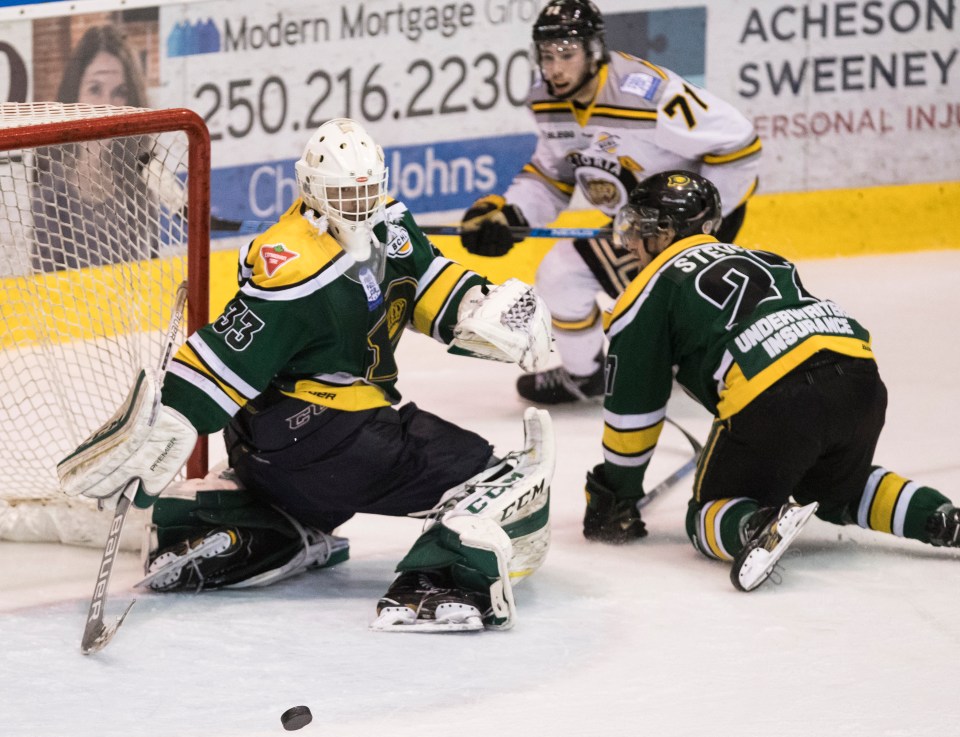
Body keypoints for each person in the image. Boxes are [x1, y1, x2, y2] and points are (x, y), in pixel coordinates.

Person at [57, 118, 556, 632]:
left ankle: (268, 529)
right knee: (501, 477)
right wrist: (171, 415)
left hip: (270, 456)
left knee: (320, 483)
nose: (360, 204)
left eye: (367, 190)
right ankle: (437, 581)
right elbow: (230, 349)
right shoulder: (292, 265)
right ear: (312, 188)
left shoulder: (392, 228)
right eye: (345, 192)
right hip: (344, 446)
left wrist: (487, 306)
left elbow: (430, 284)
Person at [581, 169, 960, 591]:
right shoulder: (764, 258)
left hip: (775, 398)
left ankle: (755, 525)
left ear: (667, 231)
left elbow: (634, 408)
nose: (630, 241)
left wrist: (616, 494)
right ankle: (942, 518)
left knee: (707, 512)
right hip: (859, 379)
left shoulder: (647, 289)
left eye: (641, 227)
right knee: (839, 487)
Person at [459, 0, 762, 404]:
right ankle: (586, 376)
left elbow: (740, 144)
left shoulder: (646, 96)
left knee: (675, 327)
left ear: (594, 51)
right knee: (560, 275)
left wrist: (692, 224)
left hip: (697, 227)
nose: (555, 68)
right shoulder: (546, 99)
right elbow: (554, 174)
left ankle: (737, 370)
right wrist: (512, 214)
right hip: (636, 226)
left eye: (567, 54)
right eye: (547, 56)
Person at [31, 25, 158, 271]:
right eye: (95, 89)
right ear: (75, 94)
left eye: (119, 92)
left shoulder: (140, 187)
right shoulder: (52, 194)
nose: (107, 106)